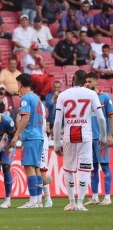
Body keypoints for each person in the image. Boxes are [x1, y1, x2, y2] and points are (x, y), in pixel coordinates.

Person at [53, 70, 107, 211]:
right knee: (85, 169)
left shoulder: (63, 95)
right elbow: (101, 118)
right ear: (85, 82)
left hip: (68, 136)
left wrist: (57, 142)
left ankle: (71, 202)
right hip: (85, 136)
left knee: (69, 169)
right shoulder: (91, 94)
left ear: (73, 79)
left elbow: (58, 121)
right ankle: (80, 203)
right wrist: (103, 136)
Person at [10, 73, 44, 208]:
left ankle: (32, 200)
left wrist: (16, 135)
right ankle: (38, 200)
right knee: (36, 168)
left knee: (29, 167)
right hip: (39, 135)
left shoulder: (25, 98)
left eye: (17, 83)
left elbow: (25, 118)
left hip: (30, 136)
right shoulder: (36, 98)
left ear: (20, 84)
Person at [84, 72, 113, 206]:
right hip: (89, 138)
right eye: (86, 81)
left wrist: (110, 135)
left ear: (96, 82)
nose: (87, 84)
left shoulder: (105, 97)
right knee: (93, 168)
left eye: (90, 81)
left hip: (101, 139)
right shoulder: (85, 99)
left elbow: (111, 117)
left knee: (105, 166)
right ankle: (94, 197)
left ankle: (107, 197)